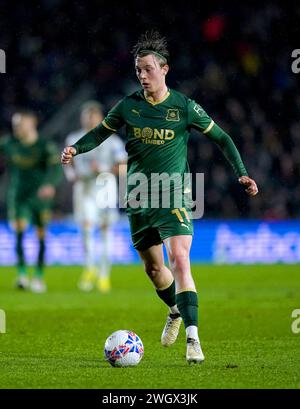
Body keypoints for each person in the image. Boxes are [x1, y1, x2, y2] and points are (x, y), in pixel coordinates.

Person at [61, 31, 258, 364]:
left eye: (148, 69)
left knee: (180, 259)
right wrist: (75, 148)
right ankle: (174, 311)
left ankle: (194, 341)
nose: (142, 75)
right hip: (138, 196)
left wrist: (241, 171)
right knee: (155, 269)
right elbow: (99, 133)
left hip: (175, 192)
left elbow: (222, 138)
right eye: (138, 70)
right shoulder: (129, 106)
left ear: (164, 69)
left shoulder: (184, 106)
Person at [64, 101, 127, 293]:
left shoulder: (113, 141)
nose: (90, 121)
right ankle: (90, 266)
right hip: (84, 187)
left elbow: (123, 166)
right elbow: (67, 162)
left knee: (106, 230)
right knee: (86, 226)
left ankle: (104, 275)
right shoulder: (74, 137)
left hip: (105, 186)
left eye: (93, 117)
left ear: (100, 119)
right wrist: (71, 176)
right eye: (86, 117)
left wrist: (103, 169)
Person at [0, 110, 62, 292]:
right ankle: (21, 274)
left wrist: (50, 184)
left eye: (20, 124)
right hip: (18, 196)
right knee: (19, 231)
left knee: (41, 236)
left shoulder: (44, 146)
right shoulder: (9, 144)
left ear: (32, 123)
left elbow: (56, 168)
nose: (16, 128)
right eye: (14, 125)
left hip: (39, 197)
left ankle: (38, 276)